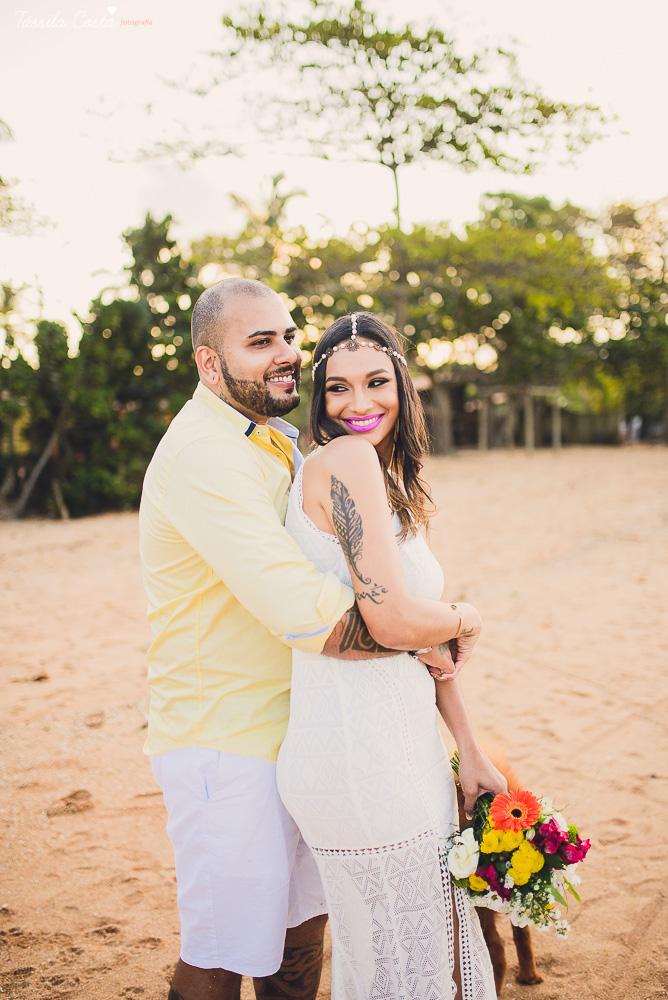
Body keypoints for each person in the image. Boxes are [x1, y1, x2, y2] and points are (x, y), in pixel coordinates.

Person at [139, 279, 467, 1000]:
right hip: (226, 740)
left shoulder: (276, 439)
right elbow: (314, 615)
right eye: (260, 342)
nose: (286, 353)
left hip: (303, 733)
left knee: (301, 931)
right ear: (208, 363)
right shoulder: (204, 455)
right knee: (222, 952)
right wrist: (442, 622)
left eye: (289, 335)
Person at [277, 312, 506, 1000]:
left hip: (400, 753)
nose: (358, 404)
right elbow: (396, 619)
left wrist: (469, 748)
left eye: (376, 382)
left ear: (402, 387)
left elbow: (422, 648)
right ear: (318, 398)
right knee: (411, 974)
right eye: (337, 389)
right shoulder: (342, 462)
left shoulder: (384, 481)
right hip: (360, 761)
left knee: (412, 966)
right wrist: (467, 615)